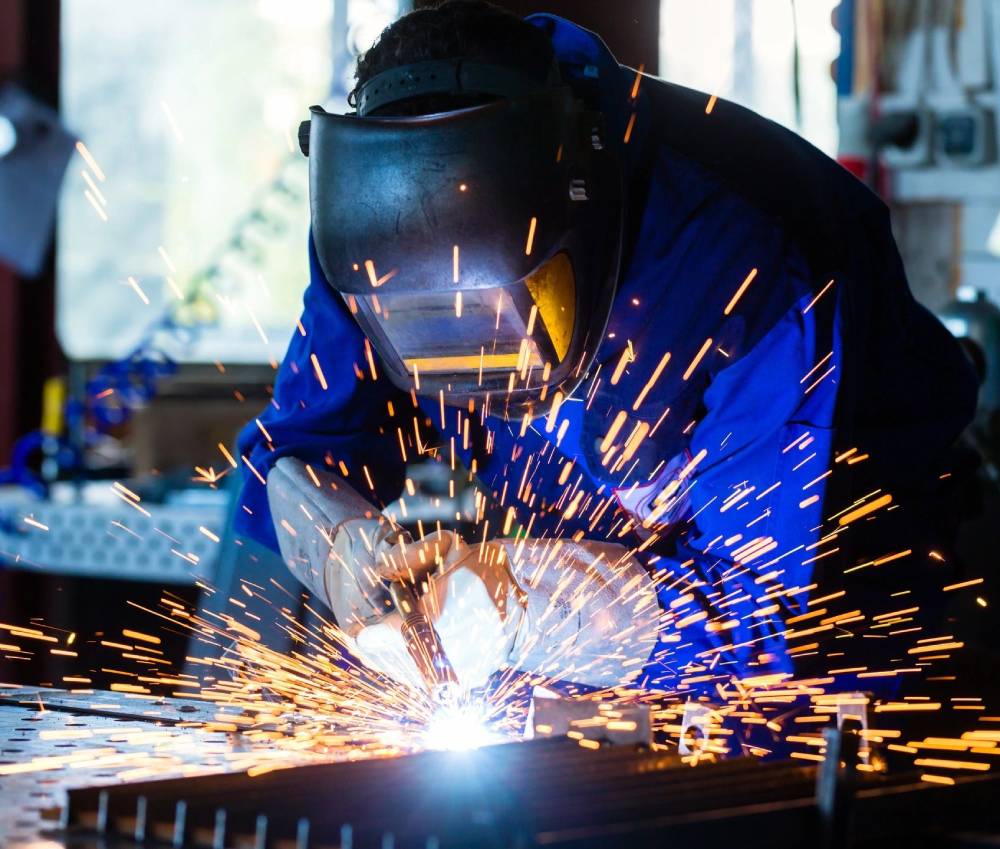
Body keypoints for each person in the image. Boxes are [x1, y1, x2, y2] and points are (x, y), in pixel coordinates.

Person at [236, 1, 977, 698]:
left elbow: (762, 619)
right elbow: (298, 452)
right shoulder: (368, 238)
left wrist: (526, 607)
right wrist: (344, 551)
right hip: (594, 597)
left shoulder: (742, 262)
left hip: (856, 588)